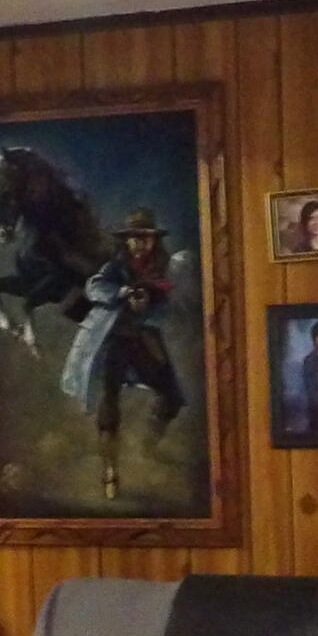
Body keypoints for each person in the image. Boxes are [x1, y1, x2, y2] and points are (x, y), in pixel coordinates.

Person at [59, 207, 186, 497]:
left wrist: (148, 306)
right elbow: (94, 287)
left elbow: (167, 309)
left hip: (144, 341)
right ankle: (110, 472)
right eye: (134, 238)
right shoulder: (116, 267)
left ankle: (147, 446)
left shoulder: (163, 270)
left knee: (172, 397)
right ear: (126, 241)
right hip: (113, 341)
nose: (140, 243)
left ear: (154, 241)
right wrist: (123, 293)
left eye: (145, 238)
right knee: (109, 404)